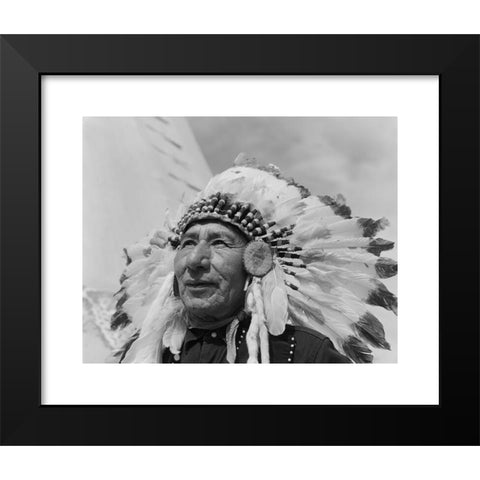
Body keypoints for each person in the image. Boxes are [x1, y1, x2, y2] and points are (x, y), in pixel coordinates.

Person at [111, 155, 397, 363]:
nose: (196, 259)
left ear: (255, 263)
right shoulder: (148, 357)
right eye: (187, 243)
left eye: (219, 243)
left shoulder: (305, 356)